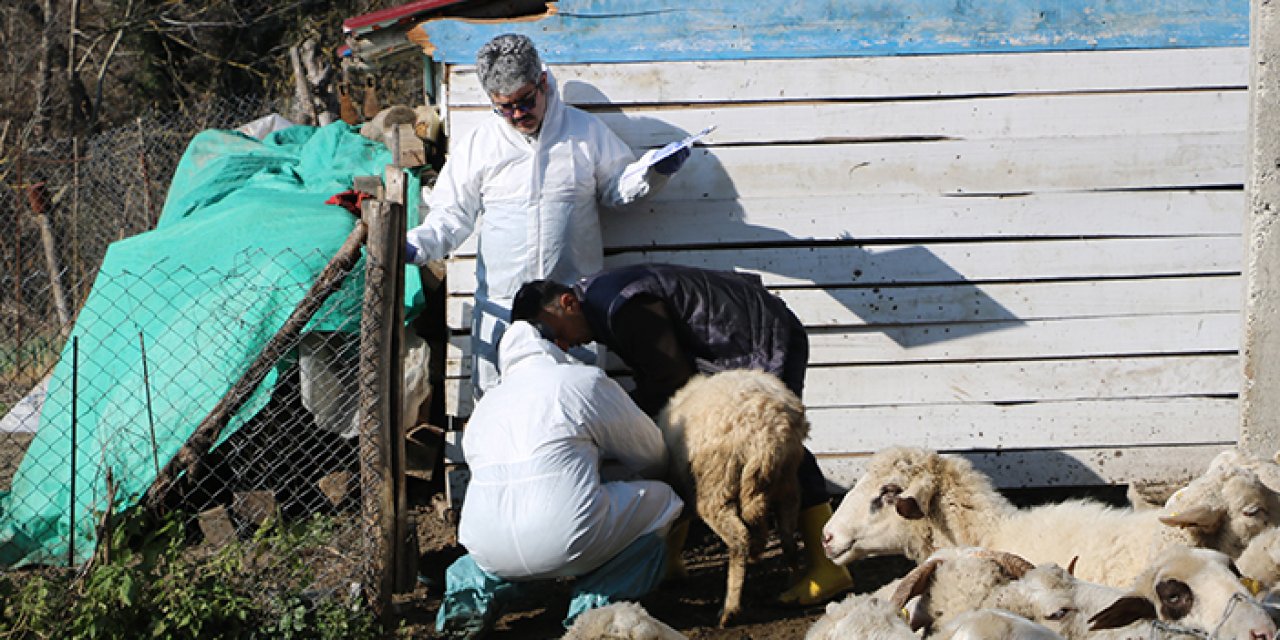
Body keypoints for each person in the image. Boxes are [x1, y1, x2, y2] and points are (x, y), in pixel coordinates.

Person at [510, 262, 854, 606]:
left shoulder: (621, 305)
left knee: (775, 442)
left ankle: (828, 566)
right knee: (683, 442)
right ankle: (670, 561)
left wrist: (615, 416)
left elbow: (669, 377)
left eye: (553, 331)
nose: (561, 346)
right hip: (733, 344)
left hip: (759, 338)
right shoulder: (604, 304)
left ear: (567, 303)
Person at [405, 33, 690, 399]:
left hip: (570, 315)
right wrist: (419, 246)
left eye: (525, 101)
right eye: (504, 108)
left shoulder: (584, 132)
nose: (517, 114)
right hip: (503, 309)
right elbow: (451, 214)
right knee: (501, 403)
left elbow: (616, 187)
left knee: (577, 402)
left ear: (542, 81)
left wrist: (653, 173)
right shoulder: (481, 145)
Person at [435, 320, 684, 638]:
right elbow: (651, 454)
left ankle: (466, 603)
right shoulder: (581, 381)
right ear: (554, 347)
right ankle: (593, 610)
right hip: (566, 536)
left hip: (489, 548)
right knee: (665, 501)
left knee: (485, 552)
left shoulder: (484, 407)